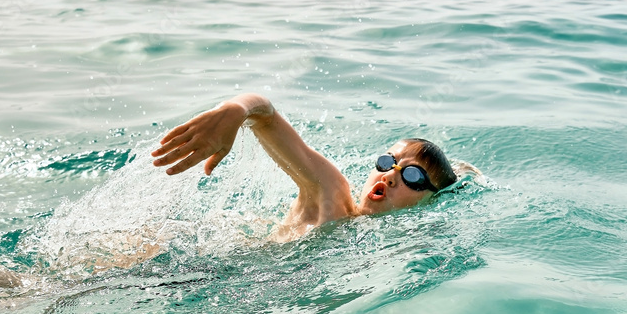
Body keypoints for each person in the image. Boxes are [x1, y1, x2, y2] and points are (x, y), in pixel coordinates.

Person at [151, 93, 462, 242]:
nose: (391, 176)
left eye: (412, 175)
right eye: (388, 162)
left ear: (430, 200)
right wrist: (236, 110)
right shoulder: (332, 194)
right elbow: (268, 117)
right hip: (199, 272)